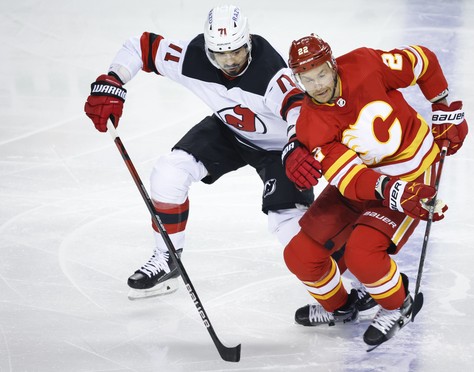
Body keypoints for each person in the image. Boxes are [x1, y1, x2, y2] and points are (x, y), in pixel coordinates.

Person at [83, 5, 316, 300]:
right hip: (230, 132)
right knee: (169, 172)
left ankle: (352, 287)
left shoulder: (271, 72)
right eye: (220, 53)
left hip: (279, 149)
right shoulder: (193, 57)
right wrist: (114, 79)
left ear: (248, 42)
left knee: (289, 227)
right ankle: (167, 257)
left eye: (237, 51)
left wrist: (295, 145)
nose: (230, 61)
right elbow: (141, 46)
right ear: (208, 49)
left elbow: (299, 110)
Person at [282, 34, 468, 348]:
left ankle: (398, 305)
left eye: (323, 74)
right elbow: (351, 178)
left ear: (333, 64)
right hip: (366, 184)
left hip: (412, 172)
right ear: (298, 81)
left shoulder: (366, 64)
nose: (318, 85)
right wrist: (396, 193)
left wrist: (442, 105)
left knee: (362, 255)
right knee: (300, 255)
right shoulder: (310, 124)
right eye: (307, 79)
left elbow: (423, 61)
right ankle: (342, 308)